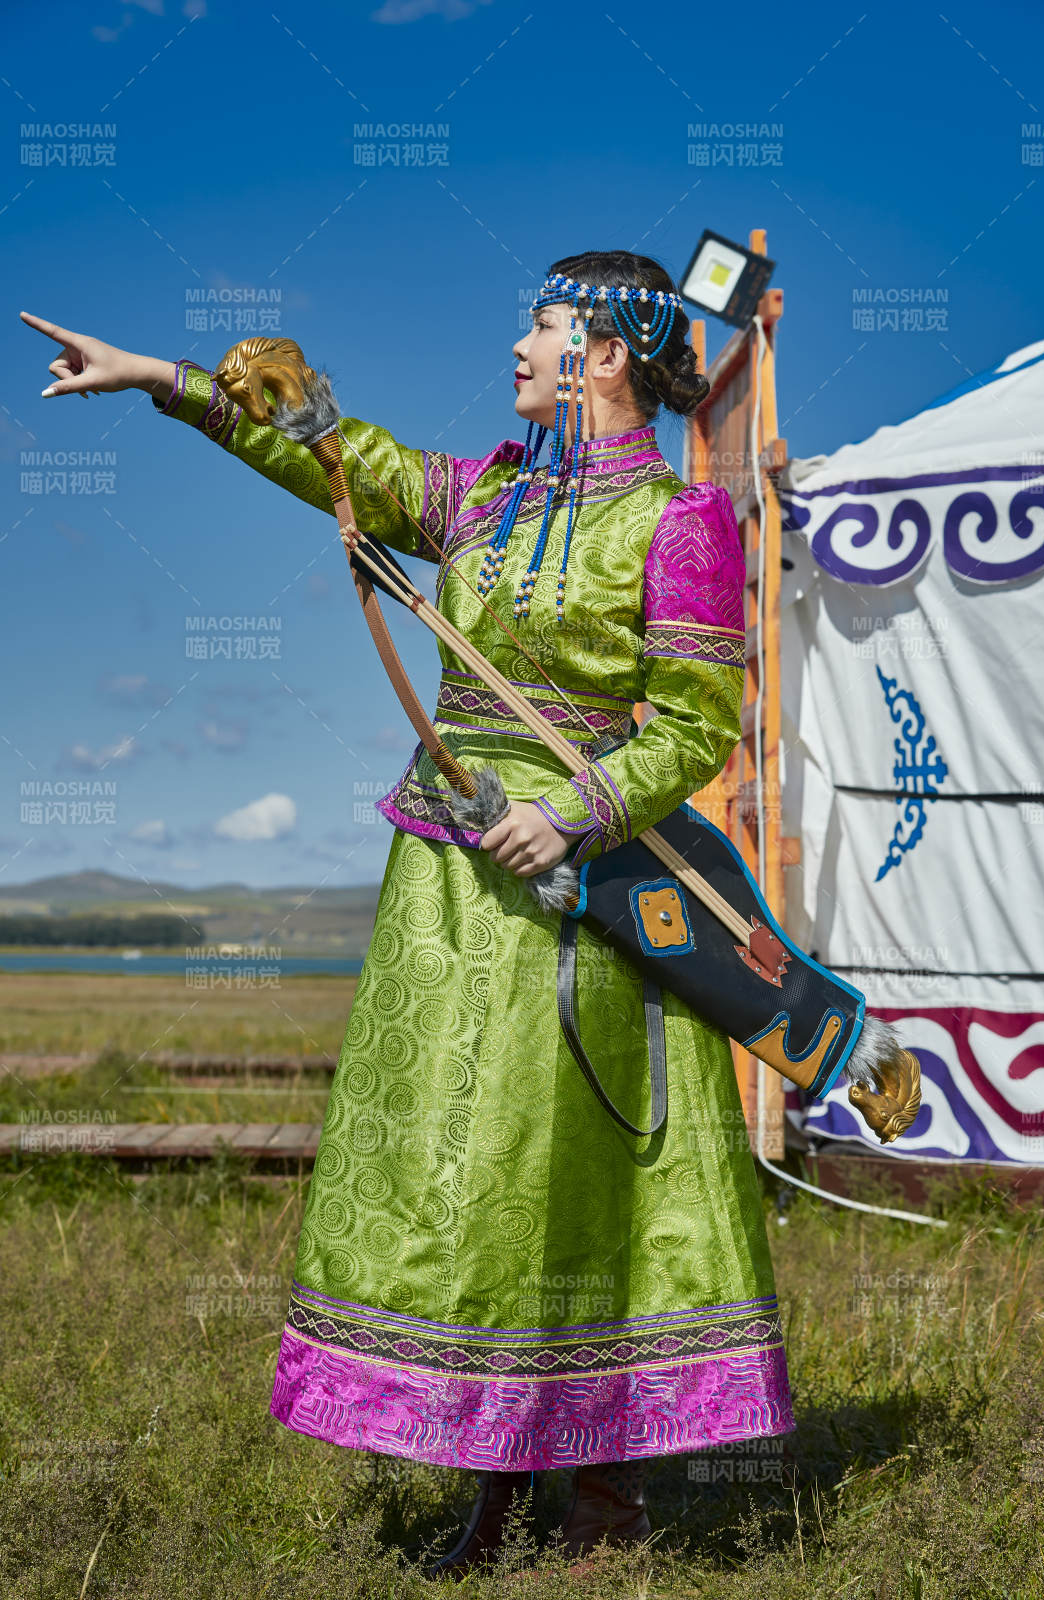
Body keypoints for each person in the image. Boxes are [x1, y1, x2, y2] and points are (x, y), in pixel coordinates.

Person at [20, 249, 794, 1579]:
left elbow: (693, 724)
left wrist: (580, 808)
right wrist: (162, 380)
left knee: (570, 1171)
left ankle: (604, 1499)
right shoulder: (482, 495)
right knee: (460, 1171)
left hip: (580, 892)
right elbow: (333, 453)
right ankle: (491, 1475)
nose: (519, 347)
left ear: (604, 355)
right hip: (446, 887)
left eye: (542, 326)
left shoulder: (680, 523)